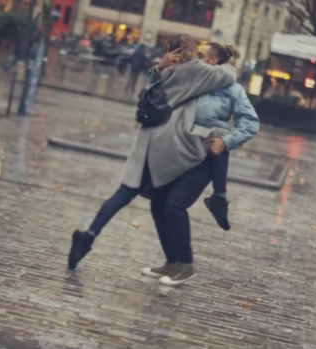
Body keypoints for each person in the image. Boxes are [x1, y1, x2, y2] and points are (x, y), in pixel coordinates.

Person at [67, 36, 241, 282]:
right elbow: (228, 75)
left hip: (146, 141)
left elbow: (146, 91)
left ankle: (90, 236)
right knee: (159, 201)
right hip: (165, 146)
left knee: (131, 194)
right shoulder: (196, 71)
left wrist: (159, 67)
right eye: (198, 52)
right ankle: (180, 257)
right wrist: (224, 61)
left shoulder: (166, 71)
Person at [195, 42, 259, 230]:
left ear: (213, 61)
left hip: (205, 154)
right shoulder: (191, 78)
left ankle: (219, 196)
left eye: (201, 55)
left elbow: (250, 123)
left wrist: (226, 142)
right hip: (180, 147)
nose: (195, 58)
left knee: (175, 203)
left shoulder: (232, 90)